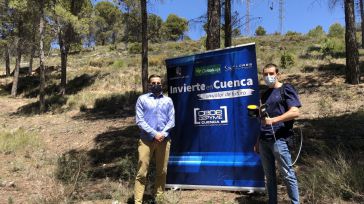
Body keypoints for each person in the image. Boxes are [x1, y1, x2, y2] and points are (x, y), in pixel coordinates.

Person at [255, 63, 301, 204]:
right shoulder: (264, 95)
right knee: (269, 176)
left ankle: (295, 202)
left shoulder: (286, 89)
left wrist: (274, 120)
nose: (268, 77)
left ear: (277, 74)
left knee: (287, 174)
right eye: (265, 74)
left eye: (271, 73)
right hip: (264, 141)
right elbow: (263, 121)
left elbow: (295, 112)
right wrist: (257, 141)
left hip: (279, 139)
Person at [134, 74, 175, 204]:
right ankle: (138, 201)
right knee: (141, 173)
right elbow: (139, 120)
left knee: (162, 172)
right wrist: (154, 134)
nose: (156, 85)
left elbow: (172, 120)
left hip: (163, 140)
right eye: (153, 83)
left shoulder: (168, 100)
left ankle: (159, 199)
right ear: (149, 84)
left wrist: (162, 133)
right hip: (146, 141)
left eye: (158, 83)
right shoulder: (142, 99)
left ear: (161, 84)